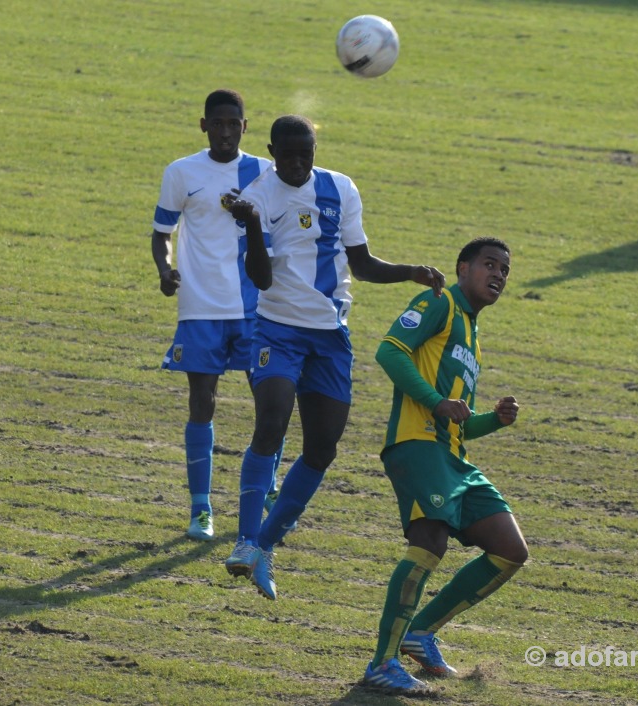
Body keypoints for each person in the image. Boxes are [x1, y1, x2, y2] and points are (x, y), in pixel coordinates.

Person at [223, 115, 445, 600]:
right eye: (288, 154)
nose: (298, 163)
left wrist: (410, 272)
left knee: (323, 448)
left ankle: (265, 543)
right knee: (272, 422)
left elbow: (361, 263)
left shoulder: (340, 188)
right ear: (272, 151)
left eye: (307, 153)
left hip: (330, 336)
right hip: (276, 330)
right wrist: (254, 223)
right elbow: (259, 278)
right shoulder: (255, 198)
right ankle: (244, 539)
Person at [362, 237, 528, 692]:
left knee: (510, 550)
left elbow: (457, 422)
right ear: (462, 269)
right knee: (429, 543)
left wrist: (493, 420)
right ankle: (381, 663)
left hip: (452, 457)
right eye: (489, 265)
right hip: (416, 446)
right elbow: (389, 350)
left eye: (505, 271)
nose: (498, 275)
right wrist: (436, 402)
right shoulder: (438, 302)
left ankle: (420, 632)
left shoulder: (472, 333)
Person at [151, 89, 280, 541]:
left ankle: (268, 488)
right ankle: (201, 508)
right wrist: (165, 269)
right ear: (203, 125)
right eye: (218, 124)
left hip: (254, 307)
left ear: (246, 127)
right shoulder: (182, 172)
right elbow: (161, 232)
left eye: (234, 124)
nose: (226, 132)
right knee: (202, 401)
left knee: (269, 399)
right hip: (201, 305)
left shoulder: (264, 173)